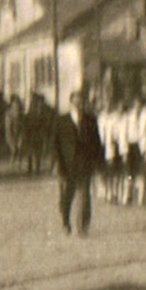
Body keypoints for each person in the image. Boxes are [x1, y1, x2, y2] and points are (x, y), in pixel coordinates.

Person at [53, 87, 104, 236]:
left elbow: (96, 142)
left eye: (80, 101)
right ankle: (65, 221)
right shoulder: (62, 121)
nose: (78, 104)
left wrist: (98, 162)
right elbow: (55, 144)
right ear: (71, 103)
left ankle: (82, 227)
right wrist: (56, 163)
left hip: (84, 164)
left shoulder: (90, 120)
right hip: (66, 164)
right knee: (67, 196)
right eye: (75, 101)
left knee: (84, 196)